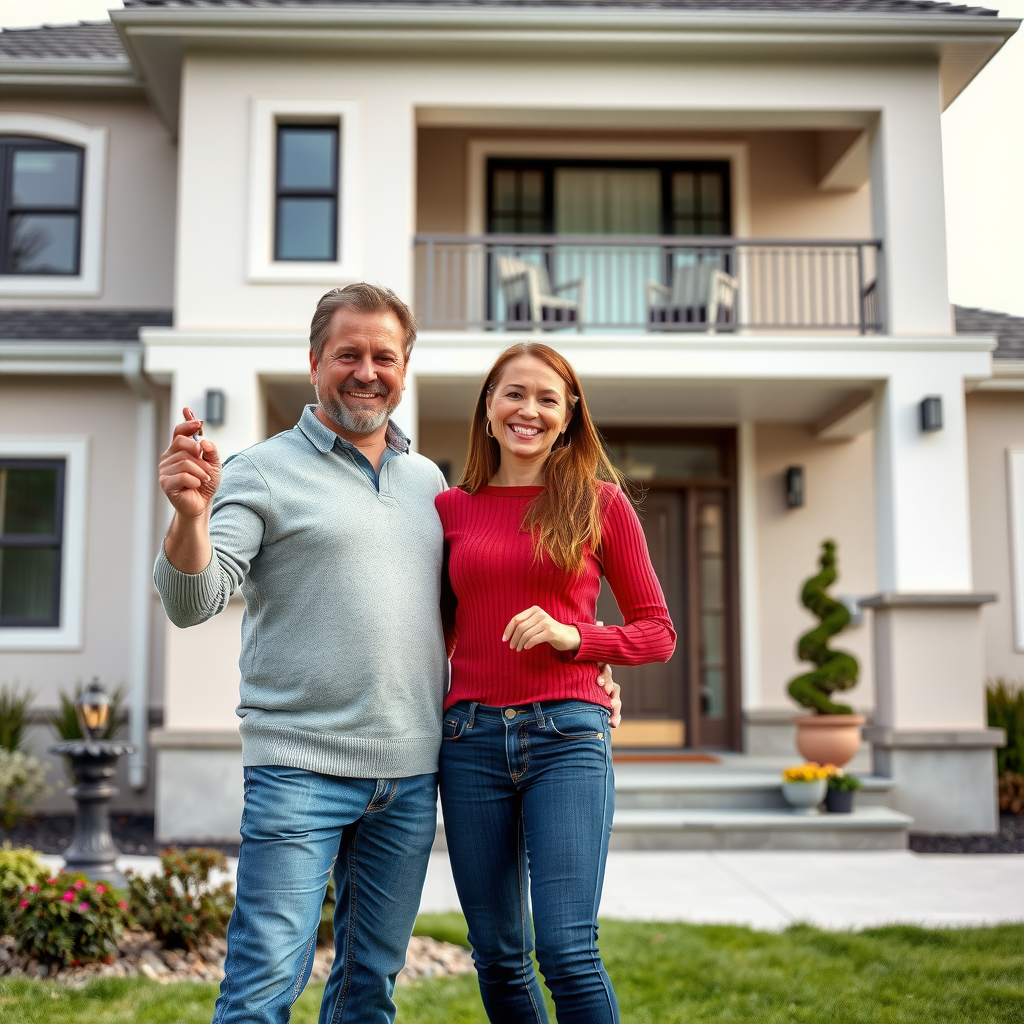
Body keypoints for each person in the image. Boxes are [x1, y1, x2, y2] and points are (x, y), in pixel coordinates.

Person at [152, 284, 620, 1024]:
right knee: (263, 985)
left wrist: (585, 660)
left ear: (404, 371)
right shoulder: (259, 470)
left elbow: (465, 611)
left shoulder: (429, 483)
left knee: (368, 986)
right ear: (314, 363)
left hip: (408, 773)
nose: (367, 372)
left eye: (384, 357)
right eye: (348, 354)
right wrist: (188, 519)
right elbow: (193, 602)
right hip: (299, 767)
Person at [436, 342, 676, 1024]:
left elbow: (657, 632)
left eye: (548, 399)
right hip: (469, 740)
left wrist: (577, 638)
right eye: (514, 394)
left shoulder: (601, 504)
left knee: (568, 951)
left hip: (566, 734)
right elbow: (436, 635)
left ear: (568, 416)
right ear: (488, 408)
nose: (529, 410)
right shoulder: (449, 509)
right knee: (497, 956)